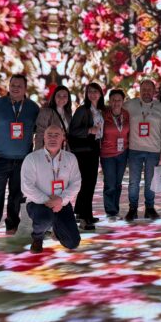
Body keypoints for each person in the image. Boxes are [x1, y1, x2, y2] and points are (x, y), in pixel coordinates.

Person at [0, 74, 40, 242]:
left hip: (23, 160)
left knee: (17, 196)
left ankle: (12, 225)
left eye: (19, 85)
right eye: (13, 85)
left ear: (25, 89)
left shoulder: (33, 108)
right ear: (9, 86)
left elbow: (40, 131)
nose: (15, 88)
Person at [21, 125, 81, 253]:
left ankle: (55, 227)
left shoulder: (70, 158)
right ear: (44, 137)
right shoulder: (32, 158)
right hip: (38, 203)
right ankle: (38, 237)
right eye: (49, 135)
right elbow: (26, 187)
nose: (52, 138)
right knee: (45, 219)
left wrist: (61, 200)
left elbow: (76, 183)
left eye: (56, 135)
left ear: (63, 138)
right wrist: (49, 201)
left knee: (72, 243)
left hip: (62, 202)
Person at [123, 79, 161, 221]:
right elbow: (116, 110)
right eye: (144, 89)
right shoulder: (130, 105)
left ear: (154, 91)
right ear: (139, 90)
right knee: (133, 182)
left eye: (149, 89)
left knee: (150, 182)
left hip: (153, 150)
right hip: (134, 149)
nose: (146, 92)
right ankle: (133, 209)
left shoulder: (160, 106)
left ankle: (150, 208)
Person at [68, 82, 105, 230]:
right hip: (84, 150)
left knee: (90, 182)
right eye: (90, 91)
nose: (93, 94)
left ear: (100, 94)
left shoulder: (100, 110)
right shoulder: (82, 110)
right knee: (87, 183)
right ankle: (85, 217)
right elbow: (72, 131)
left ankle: (80, 212)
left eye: (95, 91)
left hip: (94, 147)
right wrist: (89, 130)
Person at [100, 89, 129, 221]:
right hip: (107, 154)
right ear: (109, 101)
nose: (116, 103)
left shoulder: (126, 114)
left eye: (119, 100)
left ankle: (115, 209)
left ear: (123, 101)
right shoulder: (103, 115)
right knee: (110, 184)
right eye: (113, 100)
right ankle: (110, 211)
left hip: (122, 153)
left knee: (118, 183)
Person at [34, 85, 72, 150]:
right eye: (58, 96)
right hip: (48, 149)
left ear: (68, 99)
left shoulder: (68, 114)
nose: (61, 98)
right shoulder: (46, 112)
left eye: (65, 96)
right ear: (54, 97)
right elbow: (40, 134)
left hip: (63, 150)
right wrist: (38, 151)